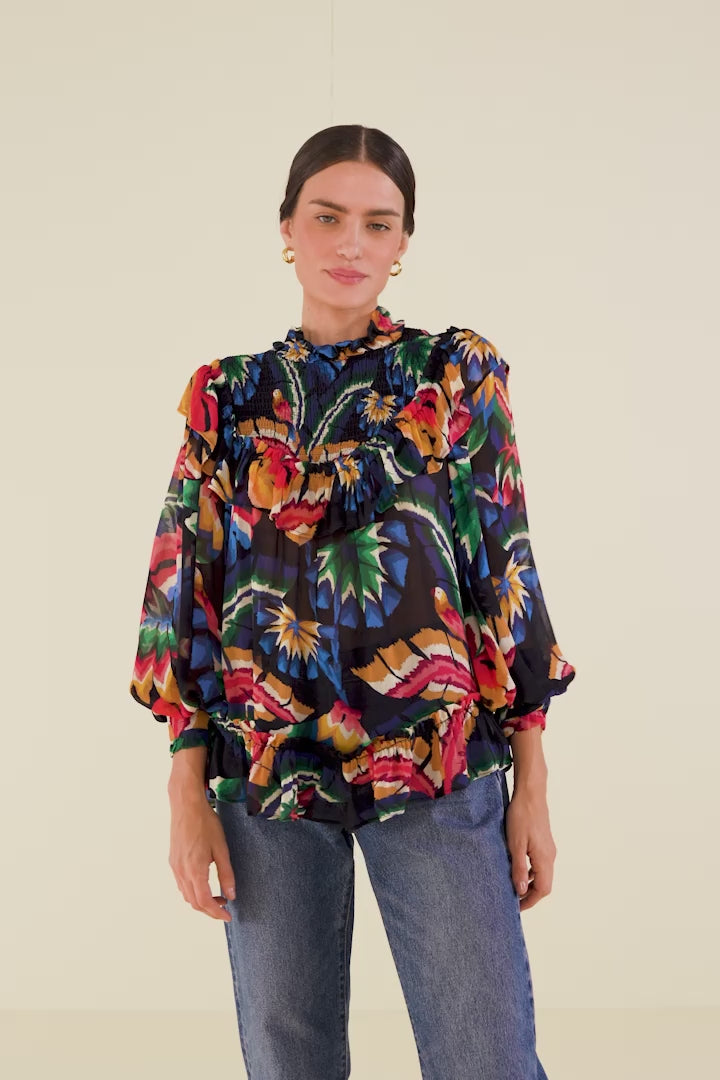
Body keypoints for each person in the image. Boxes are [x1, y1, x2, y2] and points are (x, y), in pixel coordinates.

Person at [129, 123, 576, 1080]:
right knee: (287, 1059)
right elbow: (182, 596)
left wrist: (532, 782)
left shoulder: (452, 374)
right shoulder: (228, 397)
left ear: (404, 241)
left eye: (379, 224)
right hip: (265, 773)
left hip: (437, 761)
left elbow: (505, 570)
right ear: (286, 228)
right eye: (328, 217)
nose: (352, 244)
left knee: (486, 1057)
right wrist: (184, 790)